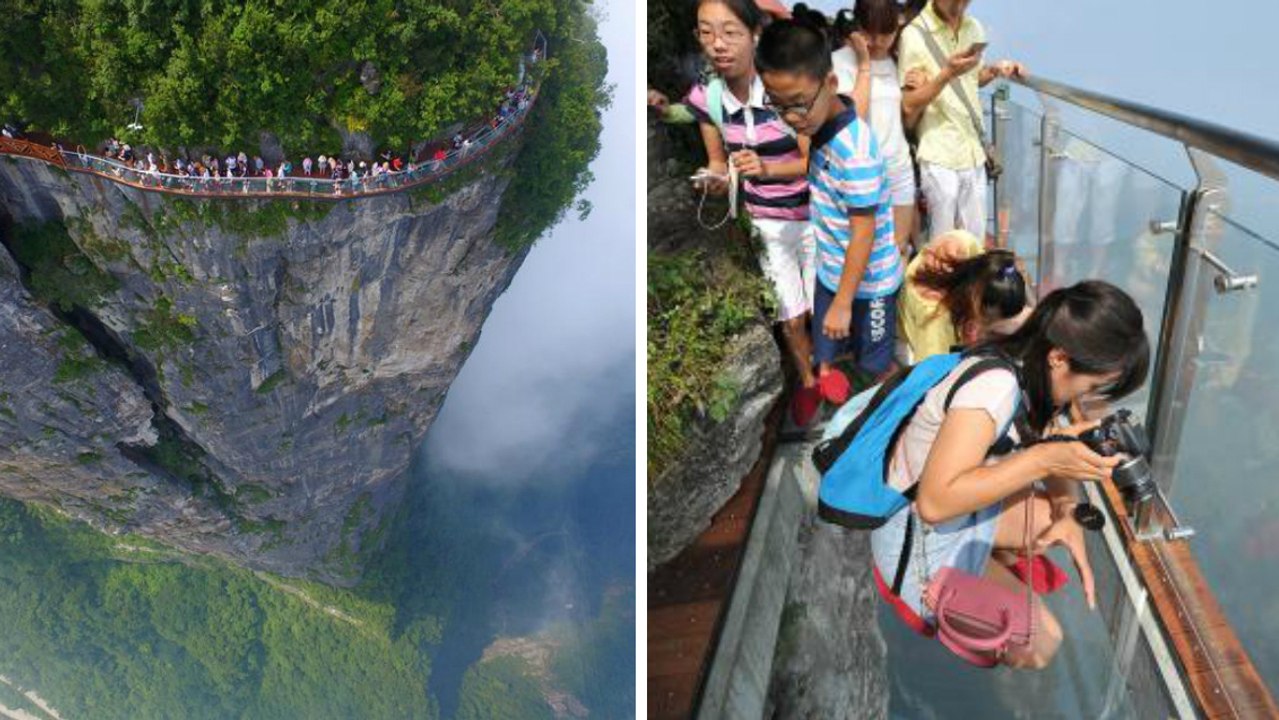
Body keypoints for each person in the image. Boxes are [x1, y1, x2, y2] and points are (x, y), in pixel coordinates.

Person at [869, 280, 1149, 669]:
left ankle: (995, 559)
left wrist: (1067, 508)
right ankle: (975, 584)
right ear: (1060, 358)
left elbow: (1044, 438)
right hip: (917, 546)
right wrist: (1045, 462)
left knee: (1053, 520)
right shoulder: (993, 390)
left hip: (955, 516)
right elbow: (933, 504)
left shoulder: (1027, 364)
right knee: (1043, 643)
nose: (1086, 399)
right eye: (1094, 385)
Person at [687, 0, 824, 425]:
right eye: (706, 33)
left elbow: (813, 159)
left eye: (730, 32)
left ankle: (830, 368)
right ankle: (807, 381)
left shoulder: (786, 88)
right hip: (767, 221)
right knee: (791, 315)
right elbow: (716, 160)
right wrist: (716, 179)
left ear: (754, 36)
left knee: (821, 306)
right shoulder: (706, 99)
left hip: (815, 215)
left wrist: (766, 168)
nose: (717, 45)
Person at [758, 18, 904, 411]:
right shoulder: (823, 115)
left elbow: (864, 233)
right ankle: (827, 380)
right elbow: (856, 97)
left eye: (799, 103)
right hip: (832, 269)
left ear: (830, 83)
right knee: (825, 345)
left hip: (870, 282)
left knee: (872, 359)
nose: (791, 117)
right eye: (779, 104)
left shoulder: (854, 153)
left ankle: (885, 399)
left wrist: (844, 302)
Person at [898, 0, 1024, 239]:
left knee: (974, 242)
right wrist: (946, 74)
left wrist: (995, 70)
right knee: (943, 245)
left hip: (973, 149)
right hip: (938, 151)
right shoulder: (914, 35)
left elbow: (971, 80)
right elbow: (908, 104)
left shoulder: (974, 27)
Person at [831, 1, 919, 256]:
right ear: (857, 27)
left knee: (898, 248)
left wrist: (916, 92)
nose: (878, 41)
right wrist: (864, 63)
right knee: (863, 251)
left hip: (898, 167)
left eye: (886, 33)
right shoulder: (840, 62)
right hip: (861, 170)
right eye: (870, 32)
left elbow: (908, 121)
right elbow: (852, 116)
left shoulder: (898, 63)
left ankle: (894, 297)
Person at [897, 229, 1030, 363]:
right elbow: (926, 376)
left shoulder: (960, 244)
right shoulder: (936, 327)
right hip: (898, 337)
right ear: (977, 305)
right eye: (991, 320)